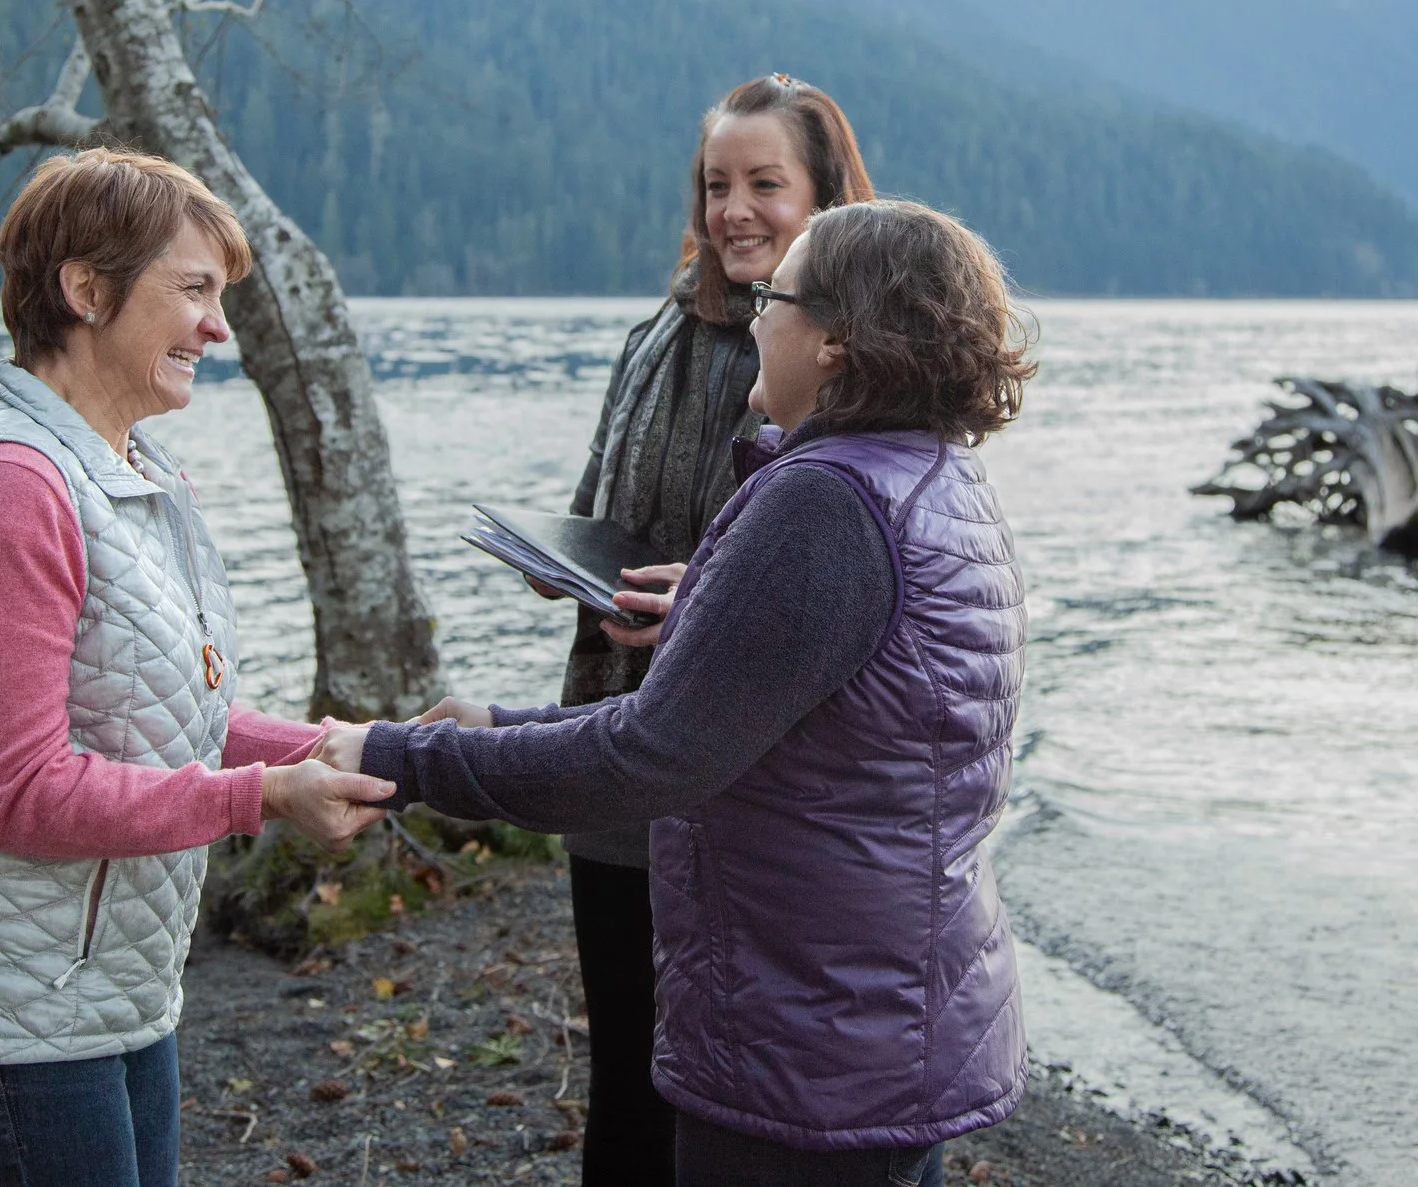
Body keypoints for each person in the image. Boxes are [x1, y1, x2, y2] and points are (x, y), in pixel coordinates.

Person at [335, 200, 1038, 1187]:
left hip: (809, 1038)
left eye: (773, 296)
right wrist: (504, 723)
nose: (753, 316)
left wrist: (399, 759)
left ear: (837, 339)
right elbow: (737, 722)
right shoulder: (933, 479)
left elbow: (651, 755)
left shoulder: (825, 503)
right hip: (885, 1012)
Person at [0, 149, 395, 1187]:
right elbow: (21, 794)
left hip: (109, 1000)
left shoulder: (132, 473)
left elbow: (172, 715)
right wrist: (264, 796)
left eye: (219, 296)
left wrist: (360, 746)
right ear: (85, 289)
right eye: (193, 290)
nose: (217, 327)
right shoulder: (4, 494)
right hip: (4, 1027)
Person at [541, 73, 874, 1186]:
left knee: (724, 1093)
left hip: (745, 786)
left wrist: (708, 605)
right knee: (624, 1074)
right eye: (715, 183)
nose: (733, 208)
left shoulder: (845, 353)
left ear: (824, 196)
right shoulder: (658, 332)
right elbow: (599, 501)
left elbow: (861, 569)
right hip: (611, 755)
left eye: (763, 183)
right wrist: (569, 565)